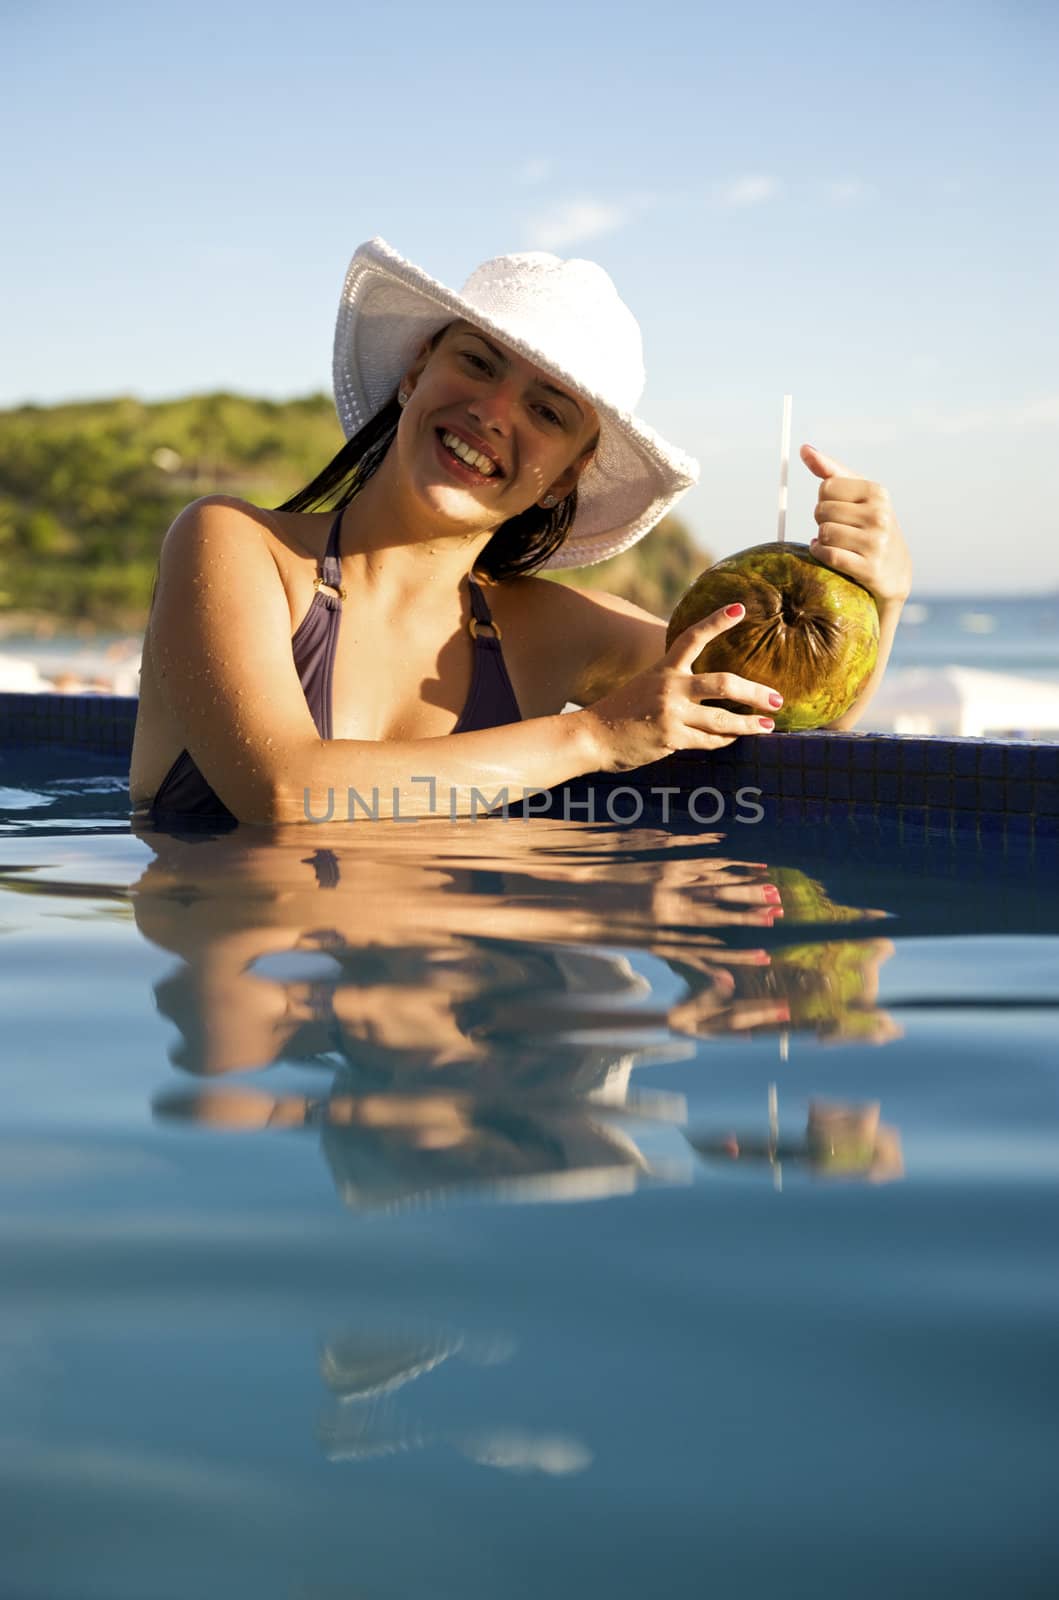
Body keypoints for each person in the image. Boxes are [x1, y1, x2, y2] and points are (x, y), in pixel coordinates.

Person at [130, 237, 911, 826]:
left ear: (570, 471)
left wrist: (884, 593)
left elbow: (792, 713)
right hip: (272, 1035)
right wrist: (592, 740)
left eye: (546, 411)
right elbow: (284, 793)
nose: (493, 412)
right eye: (477, 362)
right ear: (415, 372)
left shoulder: (544, 629)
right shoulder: (235, 546)